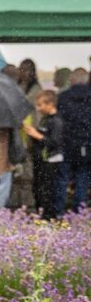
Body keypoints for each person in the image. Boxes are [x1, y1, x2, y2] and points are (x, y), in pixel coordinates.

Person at [23, 90, 64, 219]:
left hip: (51, 160)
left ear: (50, 104)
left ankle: (48, 216)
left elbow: (55, 142)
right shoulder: (45, 119)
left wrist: (37, 135)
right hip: (41, 159)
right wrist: (32, 132)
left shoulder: (57, 121)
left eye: (40, 105)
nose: (38, 108)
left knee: (47, 190)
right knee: (37, 188)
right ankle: (41, 213)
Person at [56, 67, 91, 212]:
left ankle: (58, 211)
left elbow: (58, 121)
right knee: (82, 178)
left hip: (66, 143)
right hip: (86, 144)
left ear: (72, 80)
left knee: (61, 179)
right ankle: (79, 213)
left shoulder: (63, 97)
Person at [16, 59, 43, 209]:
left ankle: (27, 203)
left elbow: (38, 114)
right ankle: (17, 202)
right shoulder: (17, 87)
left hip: (30, 133)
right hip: (17, 133)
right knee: (17, 171)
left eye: (27, 70)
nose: (24, 73)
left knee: (27, 173)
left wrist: (35, 133)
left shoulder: (36, 90)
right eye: (22, 69)